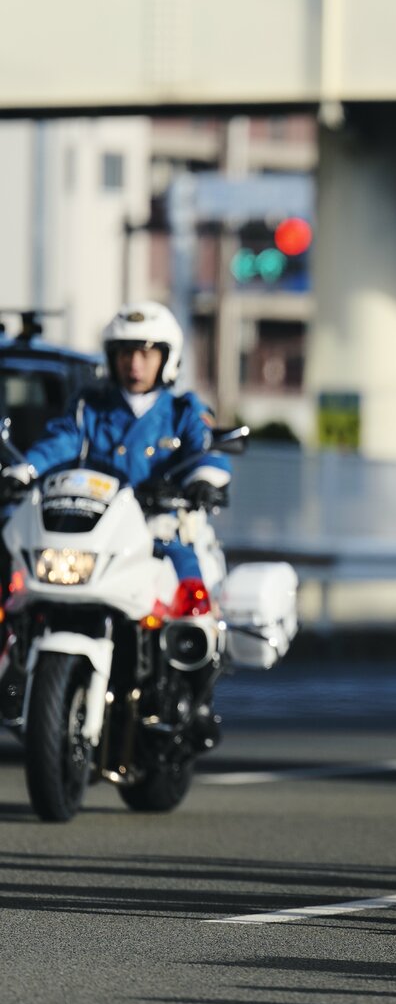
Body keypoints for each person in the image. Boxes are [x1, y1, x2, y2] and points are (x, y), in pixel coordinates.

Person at [0, 301, 232, 745]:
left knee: (193, 597)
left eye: (146, 352)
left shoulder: (183, 409)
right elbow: (60, 439)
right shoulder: (90, 405)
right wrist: (23, 472)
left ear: (168, 357)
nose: (135, 362)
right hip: (96, 527)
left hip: (158, 529)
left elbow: (208, 450)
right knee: (20, 586)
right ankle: (17, 672)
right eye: (125, 352)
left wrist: (204, 480)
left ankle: (197, 698)